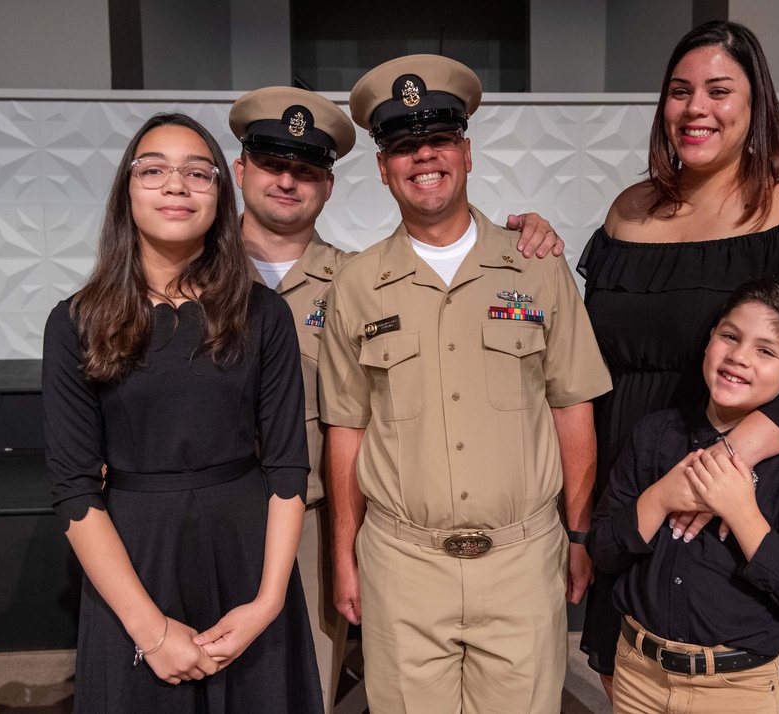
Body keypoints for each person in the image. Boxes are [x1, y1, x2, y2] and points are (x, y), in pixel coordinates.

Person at [227, 86, 568, 713]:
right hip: (204, 513)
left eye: (306, 170)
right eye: (272, 164)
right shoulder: (183, 273)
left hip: (312, 516)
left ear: (330, 186)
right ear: (239, 169)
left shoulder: (358, 280)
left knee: (308, 692)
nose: (287, 182)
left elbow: (351, 422)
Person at [576, 20, 779, 696]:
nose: (695, 108)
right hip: (637, 463)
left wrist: (723, 468)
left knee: (713, 652)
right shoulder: (628, 211)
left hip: (731, 459)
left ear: (755, 104)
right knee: (633, 665)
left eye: (718, 90)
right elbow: (586, 357)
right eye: (679, 91)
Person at [318, 54, 612, 713]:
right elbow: (346, 428)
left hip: (522, 561)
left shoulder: (538, 267)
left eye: (439, 139)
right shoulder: (357, 284)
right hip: (403, 565)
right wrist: (345, 556)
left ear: (467, 152)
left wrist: (580, 535)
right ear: (383, 167)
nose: (424, 158)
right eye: (403, 146)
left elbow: (572, 409)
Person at [42, 113, 323, 712]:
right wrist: (151, 629)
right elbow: (72, 489)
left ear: (221, 196)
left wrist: (268, 603)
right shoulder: (75, 322)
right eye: (155, 170)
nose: (177, 186)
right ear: (127, 190)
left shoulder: (263, 314)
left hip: (249, 562)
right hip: (135, 564)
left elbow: (286, 467)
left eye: (199, 173)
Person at [588, 278, 779, 714]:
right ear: (709, 341)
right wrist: (661, 498)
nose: (739, 356)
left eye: (766, 350)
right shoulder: (654, 435)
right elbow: (605, 552)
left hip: (736, 687)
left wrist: (743, 514)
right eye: (730, 336)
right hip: (638, 674)